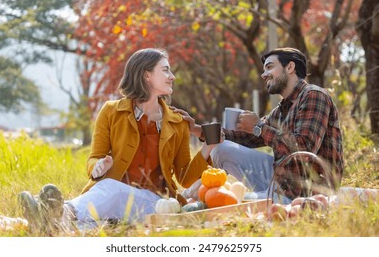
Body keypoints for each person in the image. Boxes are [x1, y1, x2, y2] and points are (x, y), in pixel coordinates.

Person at [18, 48, 221, 233]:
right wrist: (97, 167)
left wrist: (209, 146)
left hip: (155, 203)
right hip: (111, 199)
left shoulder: (177, 122)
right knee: (94, 216)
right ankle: (52, 225)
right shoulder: (111, 112)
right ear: (146, 75)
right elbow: (94, 157)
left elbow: (184, 177)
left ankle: (60, 212)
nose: (172, 77)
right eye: (166, 70)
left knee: (111, 189)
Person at [177, 47, 344, 204]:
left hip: (306, 190)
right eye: (264, 70)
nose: (264, 75)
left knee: (230, 202)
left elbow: (304, 150)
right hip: (280, 181)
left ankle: (196, 200)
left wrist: (258, 127)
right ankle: (187, 197)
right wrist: (196, 129)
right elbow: (246, 138)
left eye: (269, 67)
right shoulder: (282, 109)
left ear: (290, 67)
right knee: (221, 149)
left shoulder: (314, 95)